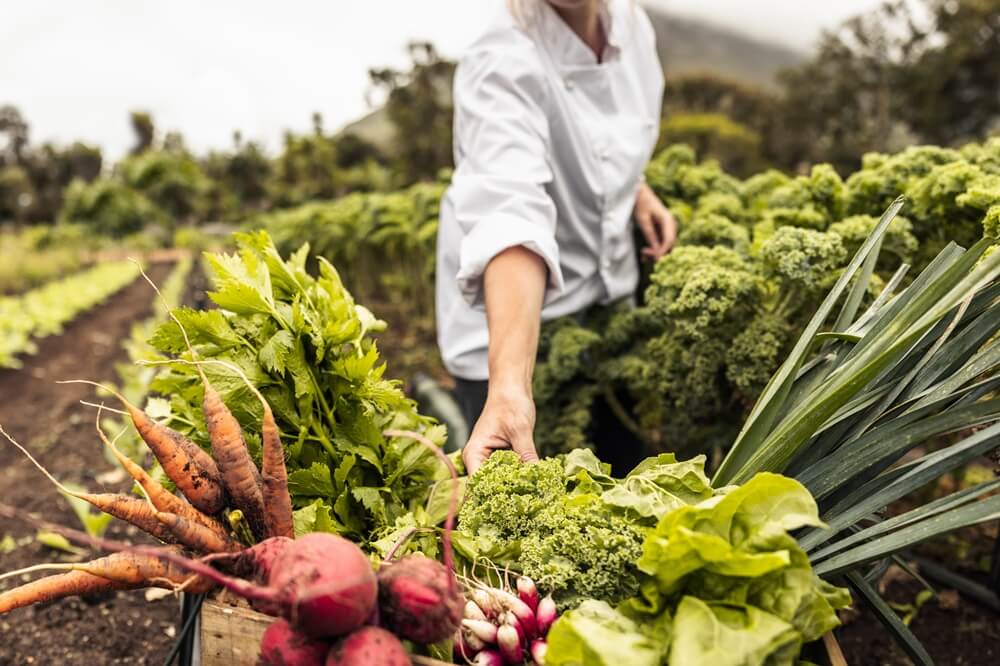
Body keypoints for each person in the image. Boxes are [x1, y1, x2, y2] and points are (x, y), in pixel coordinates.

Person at [436, 0, 676, 475]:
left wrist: (635, 188)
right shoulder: (501, 55)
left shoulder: (631, 25)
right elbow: (510, 210)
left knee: (623, 466)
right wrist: (508, 387)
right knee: (532, 513)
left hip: (603, 303)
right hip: (508, 323)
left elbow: (606, 133)